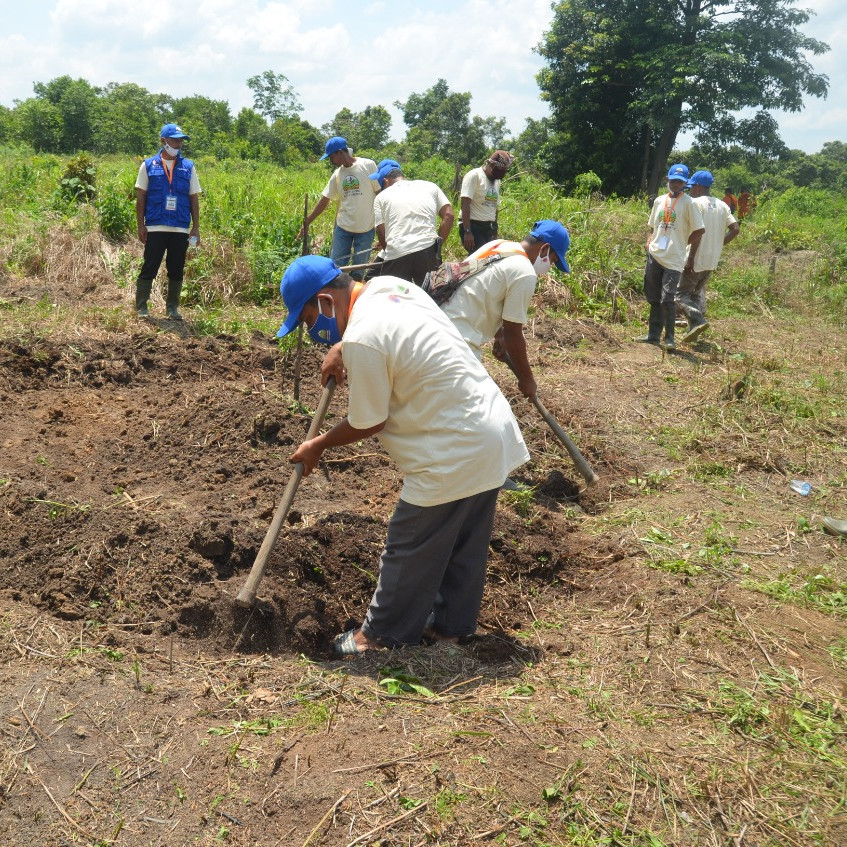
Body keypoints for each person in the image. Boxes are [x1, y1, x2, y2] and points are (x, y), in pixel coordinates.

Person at [276, 255, 529, 655]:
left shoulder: (363, 336)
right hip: (489, 430)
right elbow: (394, 335)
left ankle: (378, 638)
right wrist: (345, 345)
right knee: (466, 540)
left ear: (326, 301)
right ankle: (450, 631)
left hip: (453, 447)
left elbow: (368, 421)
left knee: (409, 542)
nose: (313, 332)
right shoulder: (392, 288)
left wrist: (318, 445)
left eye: (309, 320)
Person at [440, 220, 570, 401]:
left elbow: (479, 287)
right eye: (553, 260)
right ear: (545, 249)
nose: (550, 267)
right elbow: (513, 333)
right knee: (469, 407)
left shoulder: (499, 245)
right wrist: (527, 379)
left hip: (437, 322)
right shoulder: (525, 271)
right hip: (456, 343)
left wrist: (498, 333)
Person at [134, 123, 201, 320]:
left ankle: (172, 308)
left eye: (181, 140)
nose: (179, 144)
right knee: (150, 265)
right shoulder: (148, 165)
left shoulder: (188, 167)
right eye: (175, 140)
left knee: (177, 267)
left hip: (180, 227)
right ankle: (141, 307)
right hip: (155, 225)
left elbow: (193, 198)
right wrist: (141, 225)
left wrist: (195, 227)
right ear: (164, 141)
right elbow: (141, 198)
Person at [637, 163, 705, 350]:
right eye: (673, 180)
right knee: (653, 295)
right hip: (655, 254)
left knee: (667, 298)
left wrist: (684, 243)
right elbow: (652, 225)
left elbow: (700, 230)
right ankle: (653, 335)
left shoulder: (689, 203)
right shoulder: (659, 200)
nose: (676, 184)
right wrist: (649, 239)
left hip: (674, 258)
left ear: (685, 184)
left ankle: (670, 339)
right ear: (667, 179)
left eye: (680, 182)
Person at [297, 137, 379, 278]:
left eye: (331, 157)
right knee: (336, 269)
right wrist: (307, 222)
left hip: (366, 228)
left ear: (340, 152)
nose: (330, 161)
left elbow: (380, 194)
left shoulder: (368, 165)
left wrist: (383, 227)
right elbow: (325, 200)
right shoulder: (337, 175)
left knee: (359, 272)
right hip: (343, 228)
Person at [677, 170, 740, 342]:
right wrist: (720, 243)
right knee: (696, 295)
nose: (690, 190)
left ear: (698, 187)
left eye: (691, 187)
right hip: (712, 259)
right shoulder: (722, 205)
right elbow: (735, 229)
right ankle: (694, 331)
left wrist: (690, 258)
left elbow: (698, 232)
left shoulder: (695, 203)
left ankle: (697, 321)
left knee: (680, 295)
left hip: (695, 258)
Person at [369, 161, 454, 286]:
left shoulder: (381, 197)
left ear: (386, 181)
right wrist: (437, 247)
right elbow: (449, 215)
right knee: (431, 299)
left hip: (397, 253)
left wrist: (390, 247)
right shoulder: (430, 186)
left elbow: (381, 232)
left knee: (394, 299)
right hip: (427, 250)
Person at [459, 150, 514, 254]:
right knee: (482, 257)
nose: (500, 174)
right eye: (498, 171)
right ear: (490, 164)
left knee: (489, 259)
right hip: (473, 226)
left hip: (489, 227)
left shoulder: (497, 181)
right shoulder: (475, 176)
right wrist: (467, 232)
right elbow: (465, 204)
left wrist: (495, 230)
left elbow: (495, 208)